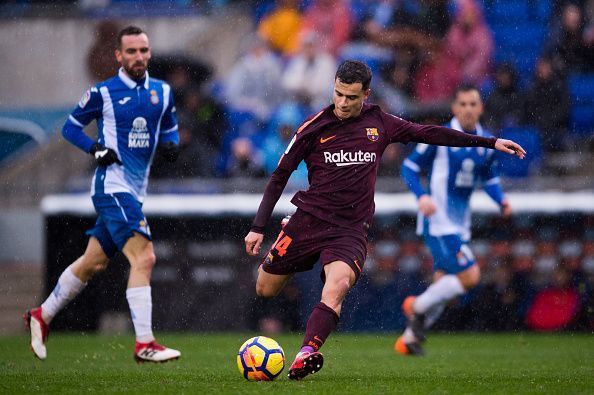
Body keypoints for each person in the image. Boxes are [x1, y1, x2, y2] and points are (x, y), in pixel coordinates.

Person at [244, 61, 525, 380]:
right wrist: (257, 226)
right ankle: (289, 237)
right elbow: (280, 174)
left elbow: (428, 133)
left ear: (366, 94)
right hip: (309, 220)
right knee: (265, 289)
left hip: (350, 229)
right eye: (338, 94)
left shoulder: (380, 123)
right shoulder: (313, 127)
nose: (343, 103)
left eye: (351, 97)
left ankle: (306, 352)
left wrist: (489, 142)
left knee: (336, 288)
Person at [24, 26, 181, 363]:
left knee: (93, 262)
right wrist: (95, 149)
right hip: (112, 186)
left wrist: (172, 147)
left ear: (149, 52)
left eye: (143, 50)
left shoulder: (162, 92)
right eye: (131, 51)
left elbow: (169, 127)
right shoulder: (103, 92)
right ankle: (145, 344)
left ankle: (42, 315)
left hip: (135, 191)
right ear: (118, 56)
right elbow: (70, 127)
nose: (138, 56)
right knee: (145, 257)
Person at [395, 84, 513, 356]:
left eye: (473, 104)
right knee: (470, 275)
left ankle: (409, 339)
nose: (468, 109)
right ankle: (416, 306)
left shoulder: (486, 144)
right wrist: (421, 196)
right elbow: (409, 167)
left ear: (481, 108)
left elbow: (489, 178)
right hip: (438, 221)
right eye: (463, 104)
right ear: (454, 108)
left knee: (444, 285)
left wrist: (501, 201)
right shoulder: (440, 137)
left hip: (460, 223)